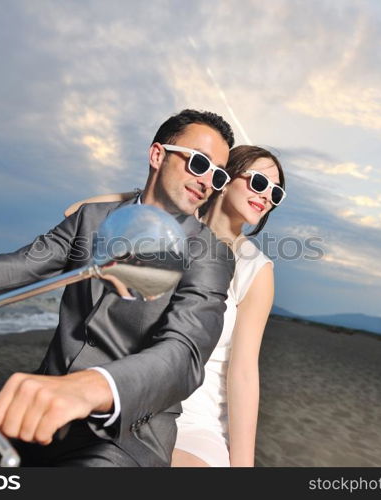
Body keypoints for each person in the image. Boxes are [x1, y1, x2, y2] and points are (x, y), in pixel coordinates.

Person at [0, 109, 236, 467]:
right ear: (157, 155)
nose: (207, 181)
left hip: (122, 440)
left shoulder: (209, 254)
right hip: (33, 412)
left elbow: (184, 353)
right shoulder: (90, 220)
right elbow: (9, 269)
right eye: (199, 163)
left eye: (218, 175)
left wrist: (92, 388)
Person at [64, 145, 285, 467]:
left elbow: (244, 373)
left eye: (276, 193)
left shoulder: (255, 268)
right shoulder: (166, 232)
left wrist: (243, 467)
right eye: (259, 183)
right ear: (223, 176)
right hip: (128, 399)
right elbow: (76, 213)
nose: (267, 197)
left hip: (195, 424)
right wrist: (155, 192)